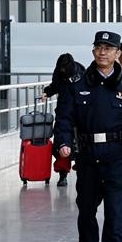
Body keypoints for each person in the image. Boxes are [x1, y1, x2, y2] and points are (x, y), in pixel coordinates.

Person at [53, 31, 122, 242]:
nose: (103, 52)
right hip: (87, 160)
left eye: (108, 48)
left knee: (115, 217)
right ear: (93, 51)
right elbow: (64, 118)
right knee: (86, 213)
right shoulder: (77, 84)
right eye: (98, 47)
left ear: (118, 54)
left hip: (116, 160)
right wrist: (63, 143)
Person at [42, 53, 85, 186]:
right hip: (63, 110)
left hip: (79, 111)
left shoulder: (81, 73)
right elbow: (55, 86)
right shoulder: (59, 74)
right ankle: (62, 174)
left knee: (80, 143)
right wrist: (48, 92)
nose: (63, 71)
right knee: (61, 143)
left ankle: (82, 170)